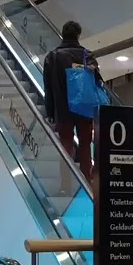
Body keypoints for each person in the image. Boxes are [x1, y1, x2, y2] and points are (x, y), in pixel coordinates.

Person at [42, 20, 102, 184]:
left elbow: (48, 88)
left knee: (66, 146)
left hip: (63, 109)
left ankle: (67, 185)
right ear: (78, 35)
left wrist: (50, 113)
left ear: (62, 34)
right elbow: (97, 81)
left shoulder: (52, 57)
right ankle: (86, 182)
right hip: (84, 107)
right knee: (85, 145)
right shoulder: (87, 55)